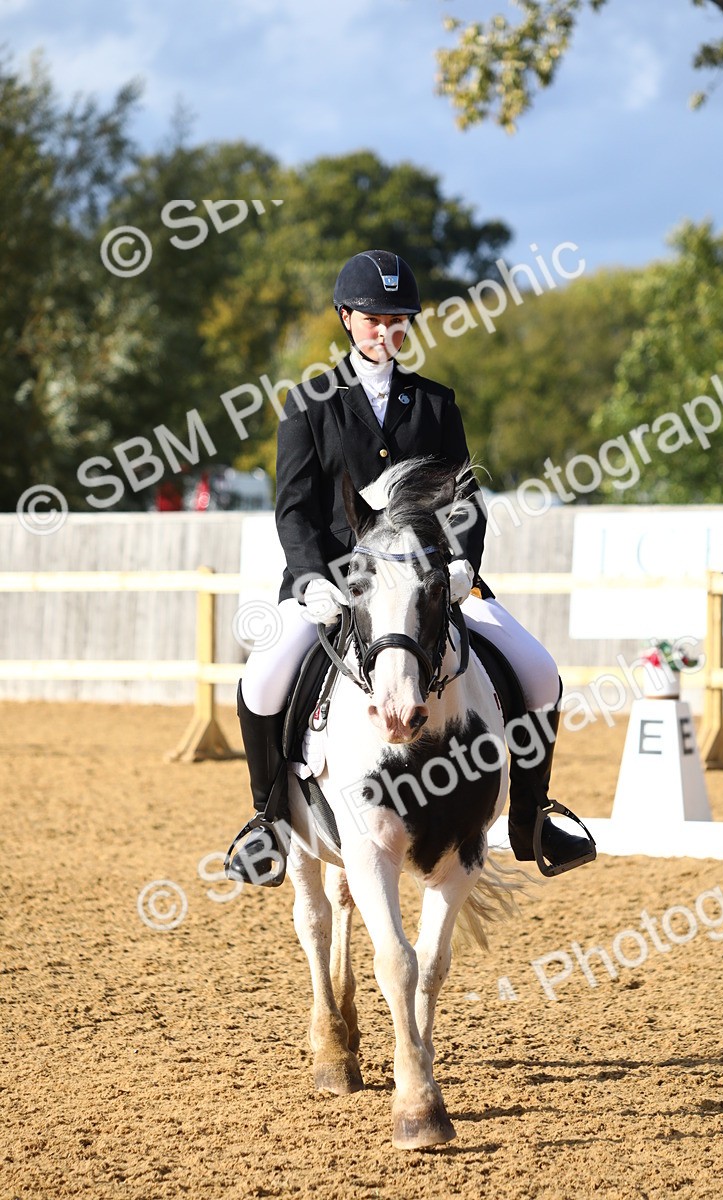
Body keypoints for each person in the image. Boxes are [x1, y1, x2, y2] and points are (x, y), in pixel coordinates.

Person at [227, 249, 596, 885]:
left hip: (430, 584)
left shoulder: (435, 405)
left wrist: (460, 566)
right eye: (374, 316)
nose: (386, 329)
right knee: (261, 681)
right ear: (347, 318)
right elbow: (294, 510)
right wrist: (314, 578)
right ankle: (268, 823)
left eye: (399, 317)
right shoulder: (308, 404)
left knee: (539, 674)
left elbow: (467, 504)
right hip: (336, 587)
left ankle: (532, 818)